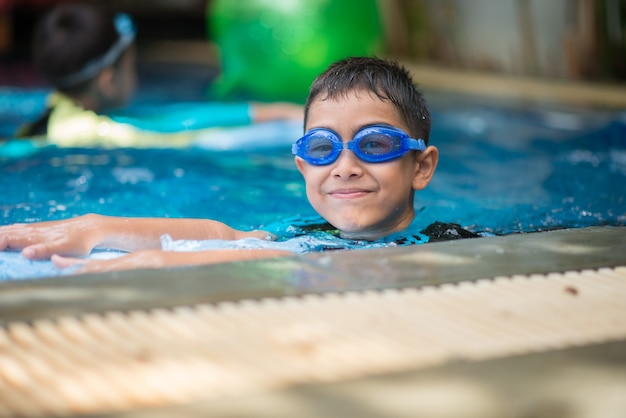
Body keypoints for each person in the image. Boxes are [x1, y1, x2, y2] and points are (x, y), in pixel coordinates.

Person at [1, 56, 476, 274]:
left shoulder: (456, 248)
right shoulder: (321, 234)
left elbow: (282, 258)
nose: (344, 165)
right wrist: (98, 227)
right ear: (301, 164)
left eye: (373, 145)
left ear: (421, 166)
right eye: (321, 149)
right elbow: (230, 235)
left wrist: (161, 262)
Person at [15, 2, 302, 147]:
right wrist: (269, 113)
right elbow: (172, 132)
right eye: (131, 63)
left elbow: (168, 119)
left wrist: (268, 111)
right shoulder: (86, 134)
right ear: (108, 79)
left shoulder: (54, 111)